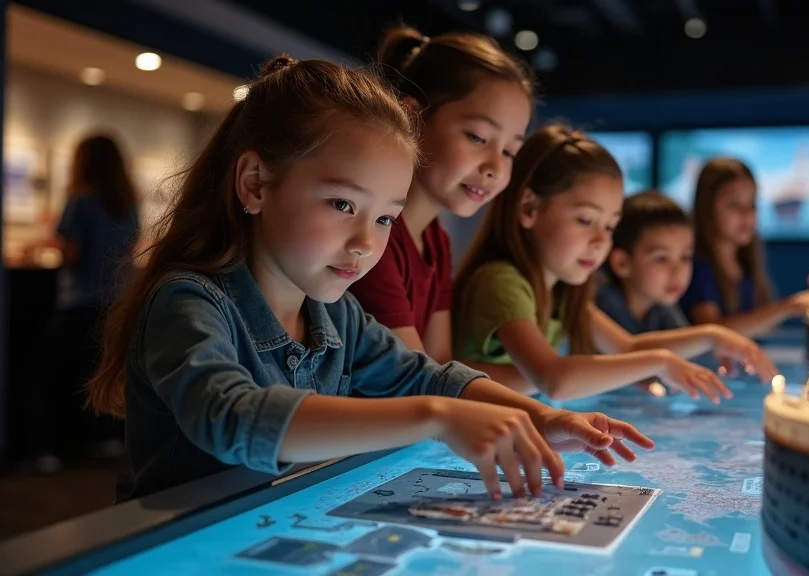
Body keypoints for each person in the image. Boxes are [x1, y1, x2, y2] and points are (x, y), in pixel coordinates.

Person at [87, 57, 653, 502]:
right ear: (256, 183)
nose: (366, 241)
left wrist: (543, 417)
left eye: (385, 217)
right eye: (341, 203)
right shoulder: (189, 302)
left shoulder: (335, 313)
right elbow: (232, 418)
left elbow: (424, 375)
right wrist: (438, 419)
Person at [452, 124, 778, 403]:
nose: (600, 242)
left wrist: (712, 336)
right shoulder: (502, 281)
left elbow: (626, 346)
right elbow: (553, 378)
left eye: (609, 226)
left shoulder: (563, 290)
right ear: (529, 208)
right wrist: (660, 362)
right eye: (585, 219)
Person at [348, 26, 532, 392]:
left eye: (510, 151)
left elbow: (443, 363)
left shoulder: (436, 240)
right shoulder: (374, 237)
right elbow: (420, 378)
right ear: (411, 119)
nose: (495, 165)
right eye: (478, 137)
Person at [26, 134, 140, 473]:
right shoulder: (128, 204)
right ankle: (102, 439)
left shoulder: (81, 201)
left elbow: (71, 254)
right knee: (100, 372)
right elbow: (128, 251)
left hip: (79, 302)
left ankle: (44, 450)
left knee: (48, 376)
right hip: (115, 304)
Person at [679, 157, 809, 337]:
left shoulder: (745, 262)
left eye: (752, 204)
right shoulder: (696, 266)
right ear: (706, 206)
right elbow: (712, 332)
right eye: (734, 204)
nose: (747, 214)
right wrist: (790, 306)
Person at [596, 190, 691, 335]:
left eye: (685, 257)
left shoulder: (660, 304)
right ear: (622, 263)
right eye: (661, 259)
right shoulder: (601, 304)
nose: (677, 271)